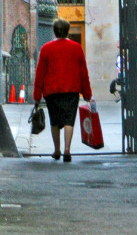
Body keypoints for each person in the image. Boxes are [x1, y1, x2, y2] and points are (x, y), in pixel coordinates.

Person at [33, 18, 93, 163]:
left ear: (54, 31)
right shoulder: (76, 48)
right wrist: (87, 94)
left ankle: (57, 150)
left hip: (52, 91)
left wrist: (37, 95)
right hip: (71, 90)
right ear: (68, 31)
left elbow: (40, 73)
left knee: (55, 121)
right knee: (68, 121)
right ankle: (67, 149)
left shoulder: (46, 48)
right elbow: (83, 72)